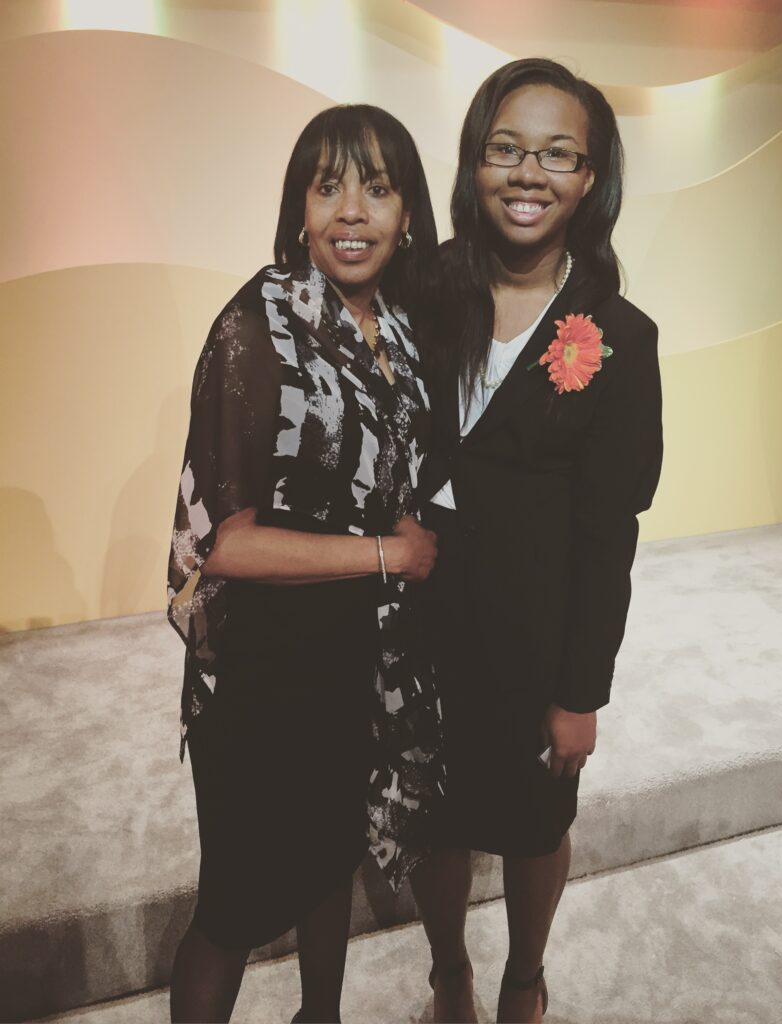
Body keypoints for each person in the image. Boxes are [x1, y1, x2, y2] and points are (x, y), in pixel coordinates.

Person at [166, 104, 443, 1024]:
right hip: (263, 674)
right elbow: (224, 545)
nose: (352, 211)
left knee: (331, 863)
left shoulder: (397, 334)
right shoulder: (259, 326)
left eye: (377, 186)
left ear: (409, 214)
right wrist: (389, 555)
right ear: (299, 210)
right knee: (235, 907)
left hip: (354, 666)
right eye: (329, 187)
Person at [410, 58, 664, 1023]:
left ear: (591, 178)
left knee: (531, 823)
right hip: (419, 619)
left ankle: (524, 974)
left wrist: (580, 693)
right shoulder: (422, 287)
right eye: (506, 149)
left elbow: (611, 533)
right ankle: (449, 972)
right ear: (475, 162)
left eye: (558, 155)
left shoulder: (617, 334)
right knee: (431, 820)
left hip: (535, 633)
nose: (528, 174)